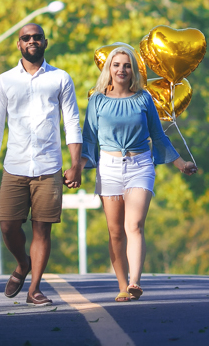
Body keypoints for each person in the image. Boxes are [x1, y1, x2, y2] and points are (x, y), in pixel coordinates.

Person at [80, 44, 197, 302]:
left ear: (134, 70)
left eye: (127, 65)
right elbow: (88, 139)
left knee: (134, 225)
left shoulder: (144, 98)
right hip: (109, 167)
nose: (122, 69)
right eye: (116, 65)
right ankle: (122, 286)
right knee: (115, 231)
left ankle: (135, 281)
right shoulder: (97, 100)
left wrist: (181, 164)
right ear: (109, 70)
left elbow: (158, 136)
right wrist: (78, 166)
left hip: (140, 165)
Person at [0, 23, 82, 306]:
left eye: (37, 37)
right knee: (7, 226)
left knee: (42, 229)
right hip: (14, 165)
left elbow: (72, 123)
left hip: (49, 167)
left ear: (45, 42)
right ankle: (22, 264)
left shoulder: (61, 78)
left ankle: (34, 289)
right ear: (18, 44)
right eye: (26, 38)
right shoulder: (4, 81)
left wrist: (75, 164)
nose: (31, 41)